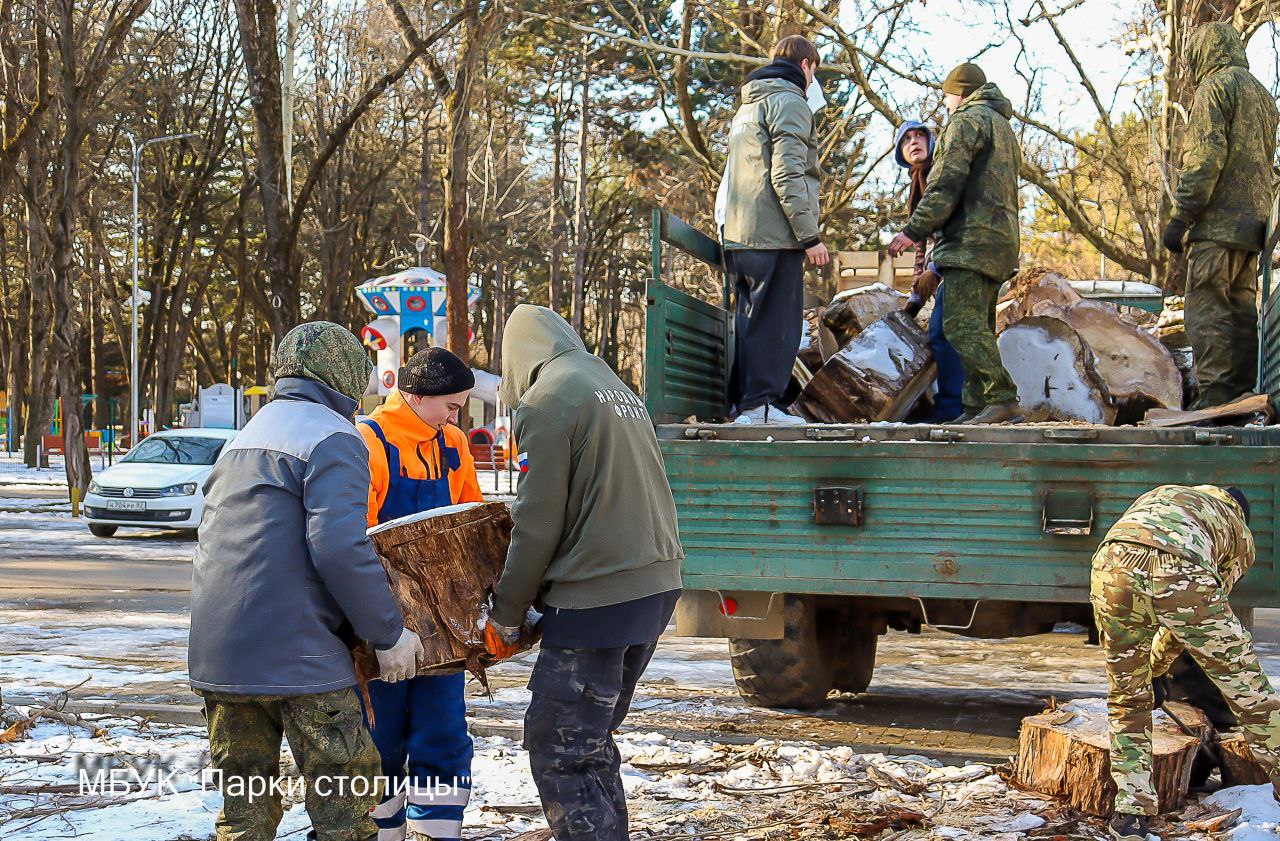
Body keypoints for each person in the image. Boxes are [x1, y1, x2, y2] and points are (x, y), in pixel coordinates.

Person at [189, 322, 424, 841]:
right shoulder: (334, 437)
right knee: (348, 812)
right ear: (345, 377)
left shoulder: (242, 438)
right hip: (301, 659)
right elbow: (340, 546)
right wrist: (388, 634)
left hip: (220, 657)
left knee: (244, 811)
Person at [483, 304, 683, 841]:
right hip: (653, 587)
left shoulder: (547, 401)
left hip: (597, 599)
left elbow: (536, 523)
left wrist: (505, 613)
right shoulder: (610, 385)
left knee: (560, 748)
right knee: (589, 742)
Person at [1091, 484, 1280, 841]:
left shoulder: (1163, 494)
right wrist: (1160, 664)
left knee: (1128, 698)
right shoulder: (1238, 532)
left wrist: (1154, 671)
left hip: (1111, 564)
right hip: (1180, 567)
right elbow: (1186, 620)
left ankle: (1130, 814)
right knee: (1252, 697)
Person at [357, 347, 482, 841]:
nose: (457, 417)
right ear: (412, 395)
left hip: (444, 621)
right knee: (379, 734)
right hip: (385, 619)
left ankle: (438, 832)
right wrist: (380, 623)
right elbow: (355, 539)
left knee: (444, 730)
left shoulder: (451, 441)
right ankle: (381, 832)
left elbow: (469, 517)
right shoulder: (370, 440)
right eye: (451, 406)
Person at [888, 62, 1022, 425]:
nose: (945, 103)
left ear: (957, 93)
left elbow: (946, 185)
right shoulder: (1003, 126)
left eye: (946, 96)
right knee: (978, 323)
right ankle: (979, 406)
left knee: (957, 324)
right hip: (1000, 242)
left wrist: (911, 231)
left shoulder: (964, 122)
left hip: (971, 242)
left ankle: (1001, 396)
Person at [1161, 23, 1279, 410]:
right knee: (1242, 309)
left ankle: (1215, 394)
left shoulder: (1215, 89)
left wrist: (1181, 215)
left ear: (1203, 54)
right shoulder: (1264, 96)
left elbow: (1205, 158)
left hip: (1216, 225)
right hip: (1254, 229)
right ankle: (1242, 397)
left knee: (1208, 307)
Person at [720, 34, 829, 426]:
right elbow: (787, 174)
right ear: (806, 66)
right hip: (774, 236)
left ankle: (744, 406)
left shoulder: (748, 106)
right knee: (779, 323)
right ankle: (762, 406)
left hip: (739, 235)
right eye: (814, 71)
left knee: (750, 321)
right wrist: (810, 236)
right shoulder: (791, 102)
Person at [895, 119, 964, 423]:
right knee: (938, 334)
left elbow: (949, 226)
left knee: (944, 332)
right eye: (906, 139)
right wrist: (913, 299)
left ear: (931, 143)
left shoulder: (937, 176)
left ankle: (951, 409)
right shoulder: (917, 182)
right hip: (945, 263)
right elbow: (922, 246)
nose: (914, 142)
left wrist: (935, 270)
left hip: (959, 261)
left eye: (920, 136)